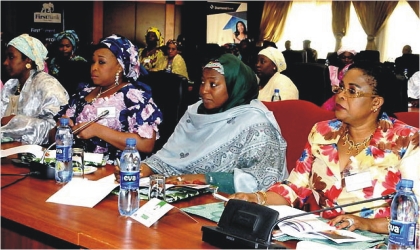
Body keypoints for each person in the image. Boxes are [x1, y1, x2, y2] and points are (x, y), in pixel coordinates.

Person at [229, 61, 420, 234]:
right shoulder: (322, 132)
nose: (340, 96)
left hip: (381, 240)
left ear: (376, 102)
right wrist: (257, 199)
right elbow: (295, 187)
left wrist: (367, 224)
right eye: (341, 88)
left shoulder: (407, 140)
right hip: (320, 237)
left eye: (352, 91)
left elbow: (416, 216)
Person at [115, 54, 288, 194]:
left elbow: (264, 179)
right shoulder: (195, 112)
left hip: (233, 206)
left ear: (235, 86)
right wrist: (146, 168)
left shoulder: (255, 124)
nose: (203, 90)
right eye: (203, 82)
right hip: (182, 195)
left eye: (213, 84)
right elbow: (172, 157)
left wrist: (205, 179)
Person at [54, 34, 163, 163]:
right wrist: (60, 128)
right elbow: (52, 138)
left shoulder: (134, 97)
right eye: (93, 62)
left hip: (116, 171)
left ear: (120, 67)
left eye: (101, 62)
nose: (93, 68)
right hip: (76, 166)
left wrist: (97, 130)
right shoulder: (83, 93)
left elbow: (146, 145)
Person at [1, 34, 68, 145]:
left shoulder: (47, 85)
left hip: (37, 154)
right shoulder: (11, 85)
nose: (5, 62)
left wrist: (15, 121)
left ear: (28, 60)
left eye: (11, 57)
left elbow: (54, 128)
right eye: (6, 57)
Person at [48, 30, 90, 96]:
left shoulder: (80, 63)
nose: (64, 49)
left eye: (67, 46)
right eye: (61, 46)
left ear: (73, 47)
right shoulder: (52, 62)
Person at [321, 47, 358, 111]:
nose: (346, 60)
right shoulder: (334, 67)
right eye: (344, 57)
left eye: (349, 58)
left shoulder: (353, 68)